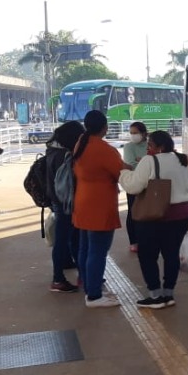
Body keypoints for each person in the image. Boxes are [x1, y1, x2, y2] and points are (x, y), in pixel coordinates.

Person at [119, 130, 188, 309]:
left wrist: (123, 173)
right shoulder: (182, 160)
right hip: (183, 214)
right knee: (171, 254)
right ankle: (168, 294)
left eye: (150, 145)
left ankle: (155, 296)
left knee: (147, 255)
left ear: (160, 147)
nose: (148, 148)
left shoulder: (150, 161)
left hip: (157, 214)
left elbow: (134, 187)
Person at [73, 110, 129, 308]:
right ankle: (94, 296)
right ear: (104, 127)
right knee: (97, 251)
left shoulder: (81, 143)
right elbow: (121, 171)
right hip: (100, 205)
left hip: (82, 202)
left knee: (85, 249)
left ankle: (90, 288)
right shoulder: (103, 149)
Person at [46, 121, 85, 293]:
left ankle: (81, 273)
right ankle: (58, 279)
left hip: (58, 201)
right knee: (66, 240)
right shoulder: (66, 156)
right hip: (66, 203)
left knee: (68, 239)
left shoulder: (52, 151)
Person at [121, 121, 149, 253]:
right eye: (131, 133)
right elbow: (130, 164)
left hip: (149, 184)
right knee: (133, 211)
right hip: (134, 183)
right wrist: (146, 161)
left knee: (148, 212)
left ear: (143, 133)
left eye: (135, 133)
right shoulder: (128, 147)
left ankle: (146, 238)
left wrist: (140, 160)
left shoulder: (150, 144)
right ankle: (134, 241)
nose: (133, 135)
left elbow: (155, 161)